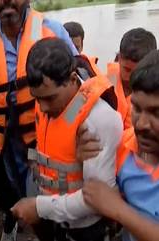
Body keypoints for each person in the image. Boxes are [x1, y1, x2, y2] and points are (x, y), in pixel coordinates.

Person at [0, 0, 79, 240]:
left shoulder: (53, 31)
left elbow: (81, 87)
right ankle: (13, 225)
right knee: (13, 196)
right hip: (4, 142)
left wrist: (79, 132)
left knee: (46, 210)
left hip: (43, 143)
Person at [10, 37, 123, 241]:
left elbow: (96, 200)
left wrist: (38, 207)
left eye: (49, 98)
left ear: (72, 79)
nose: (42, 107)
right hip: (52, 216)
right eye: (37, 98)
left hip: (84, 228)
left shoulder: (98, 121)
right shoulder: (48, 99)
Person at [82, 49, 159, 241]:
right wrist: (80, 157)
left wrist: (118, 210)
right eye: (137, 108)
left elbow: (112, 204)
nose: (141, 124)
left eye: (156, 113)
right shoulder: (123, 145)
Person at [106, 28, 157, 130]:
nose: (129, 77)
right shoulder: (102, 83)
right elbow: (71, 114)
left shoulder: (155, 95)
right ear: (119, 58)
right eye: (127, 69)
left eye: (136, 71)